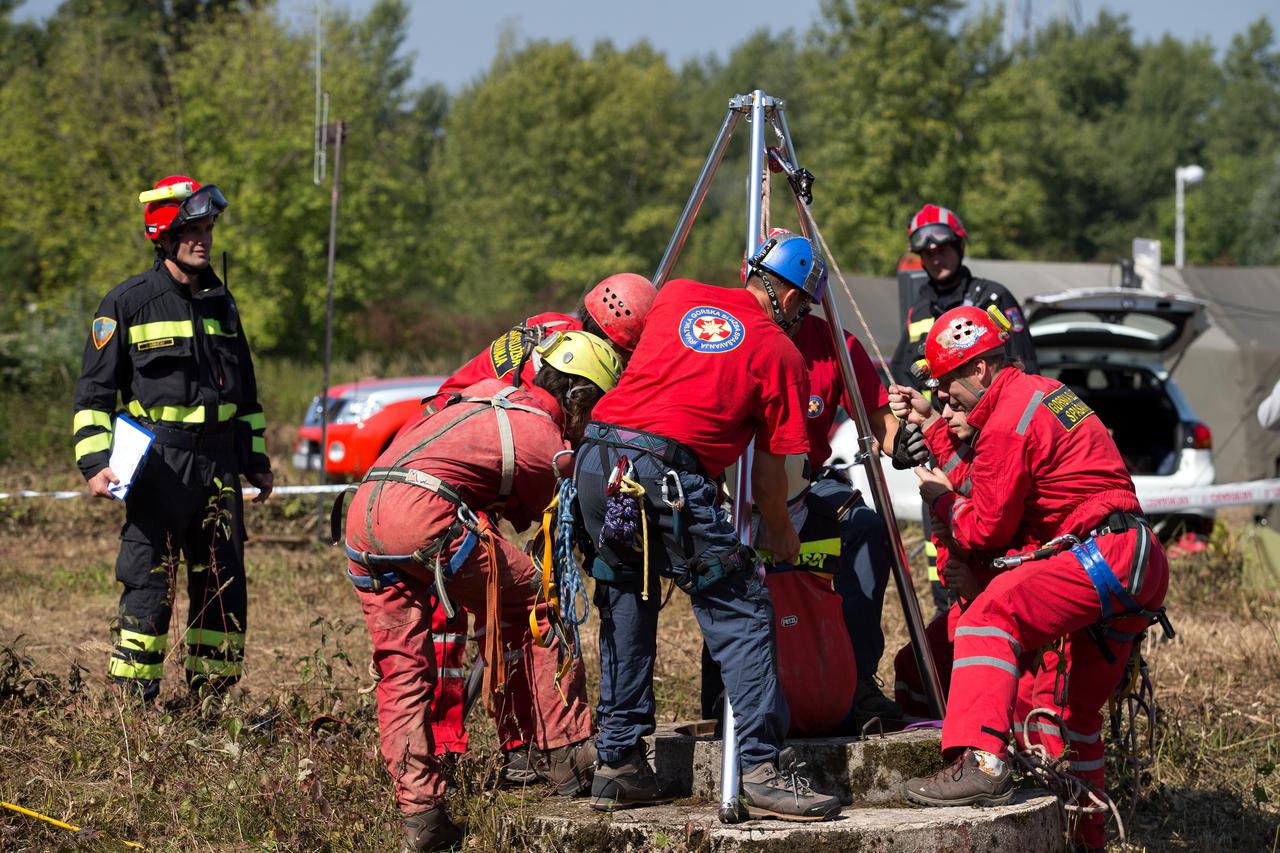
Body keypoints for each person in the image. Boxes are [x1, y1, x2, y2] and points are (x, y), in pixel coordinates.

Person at [573, 232, 841, 821]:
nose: (800, 316)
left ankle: (617, 760)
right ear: (793, 297)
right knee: (741, 604)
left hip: (599, 461)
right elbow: (772, 480)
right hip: (665, 474)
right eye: (803, 306)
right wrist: (781, 532)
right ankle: (764, 768)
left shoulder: (678, 295)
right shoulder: (780, 354)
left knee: (626, 593)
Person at [897, 307, 1170, 853]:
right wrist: (933, 426)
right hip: (1135, 559)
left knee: (989, 614)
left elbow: (984, 524)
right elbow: (993, 484)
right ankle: (1085, 840)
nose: (948, 401)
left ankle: (981, 759)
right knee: (1071, 718)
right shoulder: (1036, 396)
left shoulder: (1007, 421)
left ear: (978, 369)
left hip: (1101, 554)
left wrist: (940, 501)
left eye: (951, 389)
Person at [342, 331, 621, 852]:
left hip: (364, 517)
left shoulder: (488, 393)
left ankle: (421, 816)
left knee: (401, 672)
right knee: (538, 600)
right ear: (580, 399)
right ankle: (566, 751)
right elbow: (545, 528)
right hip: (427, 519)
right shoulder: (545, 443)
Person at [421, 274, 656, 784]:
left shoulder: (563, 340)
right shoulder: (554, 349)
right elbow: (521, 428)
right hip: (458, 463)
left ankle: (527, 747)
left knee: (530, 605)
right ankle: (443, 756)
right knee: (458, 619)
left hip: (501, 466)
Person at [72, 175, 272, 701]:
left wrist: (255, 459)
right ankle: (133, 709)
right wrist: (95, 462)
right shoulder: (126, 303)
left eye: (208, 227)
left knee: (222, 585)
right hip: (158, 464)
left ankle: (211, 703)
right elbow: (93, 394)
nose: (203, 238)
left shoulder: (223, 304)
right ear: (164, 234)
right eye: (192, 229)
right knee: (148, 580)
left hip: (220, 465)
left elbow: (246, 393)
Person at [701, 228, 906, 732]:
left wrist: (912, 442)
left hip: (802, 486)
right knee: (717, 551)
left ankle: (854, 680)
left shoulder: (834, 346)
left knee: (866, 529)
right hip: (727, 490)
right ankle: (722, 692)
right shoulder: (723, 330)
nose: (797, 317)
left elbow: (881, 427)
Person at [890, 203, 1040, 617]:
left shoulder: (992, 299)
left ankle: (993, 613)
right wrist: (907, 421)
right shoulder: (917, 310)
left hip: (990, 446)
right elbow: (906, 372)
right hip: (944, 446)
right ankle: (949, 615)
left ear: (959, 246)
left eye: (944, 248)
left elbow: (1022, 369)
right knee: (942, 543)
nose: (936, 257)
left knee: (994, 540)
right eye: (927, 251)